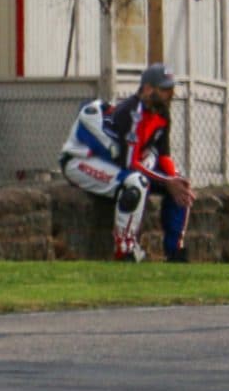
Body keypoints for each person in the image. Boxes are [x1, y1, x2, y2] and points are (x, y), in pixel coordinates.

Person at [61, 64, 191, 262]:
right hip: (81, 161)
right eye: (165, 89)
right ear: (148, 89)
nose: (170, 94)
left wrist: (173, 178)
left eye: (171, 89)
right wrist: (166, 181)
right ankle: (125, 250)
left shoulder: (162, 114)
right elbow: (129, 163)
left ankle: (175, 251)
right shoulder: (131, 113)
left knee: (181, 184)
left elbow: (164, 155)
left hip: (117, 162)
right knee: (136, 183)